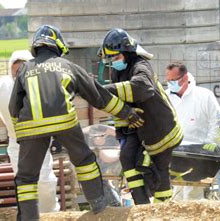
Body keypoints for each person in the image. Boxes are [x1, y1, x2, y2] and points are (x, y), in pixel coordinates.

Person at [9, 25, 144, 220]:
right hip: (64, 122)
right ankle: (98, 205)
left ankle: (28, 217)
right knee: (84, 161)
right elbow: (99, 97)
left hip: (30, 127)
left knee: (27, 178)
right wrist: (128, 113)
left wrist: (21, 134)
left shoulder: (24, 70)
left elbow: (14, 107)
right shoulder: (68, 66)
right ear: (57, 45)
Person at [99, 28, 183, 204]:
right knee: (127, 156)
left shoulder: (141, 65)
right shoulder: (117, 72)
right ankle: (142, 206)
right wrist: (124, 126)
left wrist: (104, 90)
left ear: (127, 52)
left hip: (161, 128)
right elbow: (120, 102)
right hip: (139, 127)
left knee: (159, 171)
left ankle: (163, 210)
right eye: (111, 58)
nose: (113, 62)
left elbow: (141, 88)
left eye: (116, 57)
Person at [0, 50, 60, 212]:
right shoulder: (2, 87)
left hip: (39, 140)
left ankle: (51, 214)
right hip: (17, 142)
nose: (19, 75)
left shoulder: (43, 85)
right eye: (16, 72)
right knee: (24, 184)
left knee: (44, 181)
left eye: (24, 70)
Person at [165, 62, 220, 201]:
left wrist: (210, 142)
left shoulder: (203, 96)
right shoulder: (166, 97)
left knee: (192, 194)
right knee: (176, 192)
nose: (170, 84)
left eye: (173, 80)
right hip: (174, 152)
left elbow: (216, 120)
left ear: (184, 78)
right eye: (168, 80)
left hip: (198, 154)